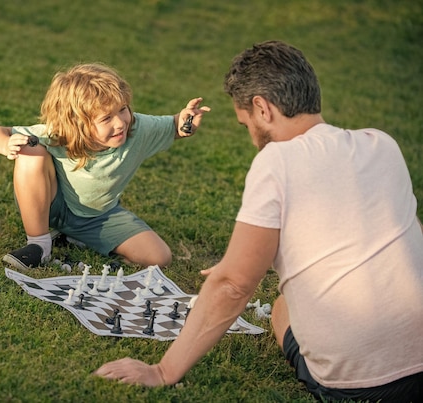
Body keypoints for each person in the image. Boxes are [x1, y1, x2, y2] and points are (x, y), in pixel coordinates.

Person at [95, 41, 423, 402]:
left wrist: (162, 371)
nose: (251, 136)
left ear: (262, 109)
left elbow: (234, 285)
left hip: (362, 388)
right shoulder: (382, 145)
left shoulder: (277, 161)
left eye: (245, 123)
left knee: (282, 309)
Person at [0, 63, 210, 270]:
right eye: (106, 118)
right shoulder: (57, 134)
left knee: (159, 257)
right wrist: (5, 144)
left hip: (98, 216)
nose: (120, 122)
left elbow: (173, 126)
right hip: (49, 205)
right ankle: (39, 246)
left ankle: (74, 237)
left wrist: (184, 121)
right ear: (76, 124)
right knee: (30, 149)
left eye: (122, 109)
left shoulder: (138, 129)